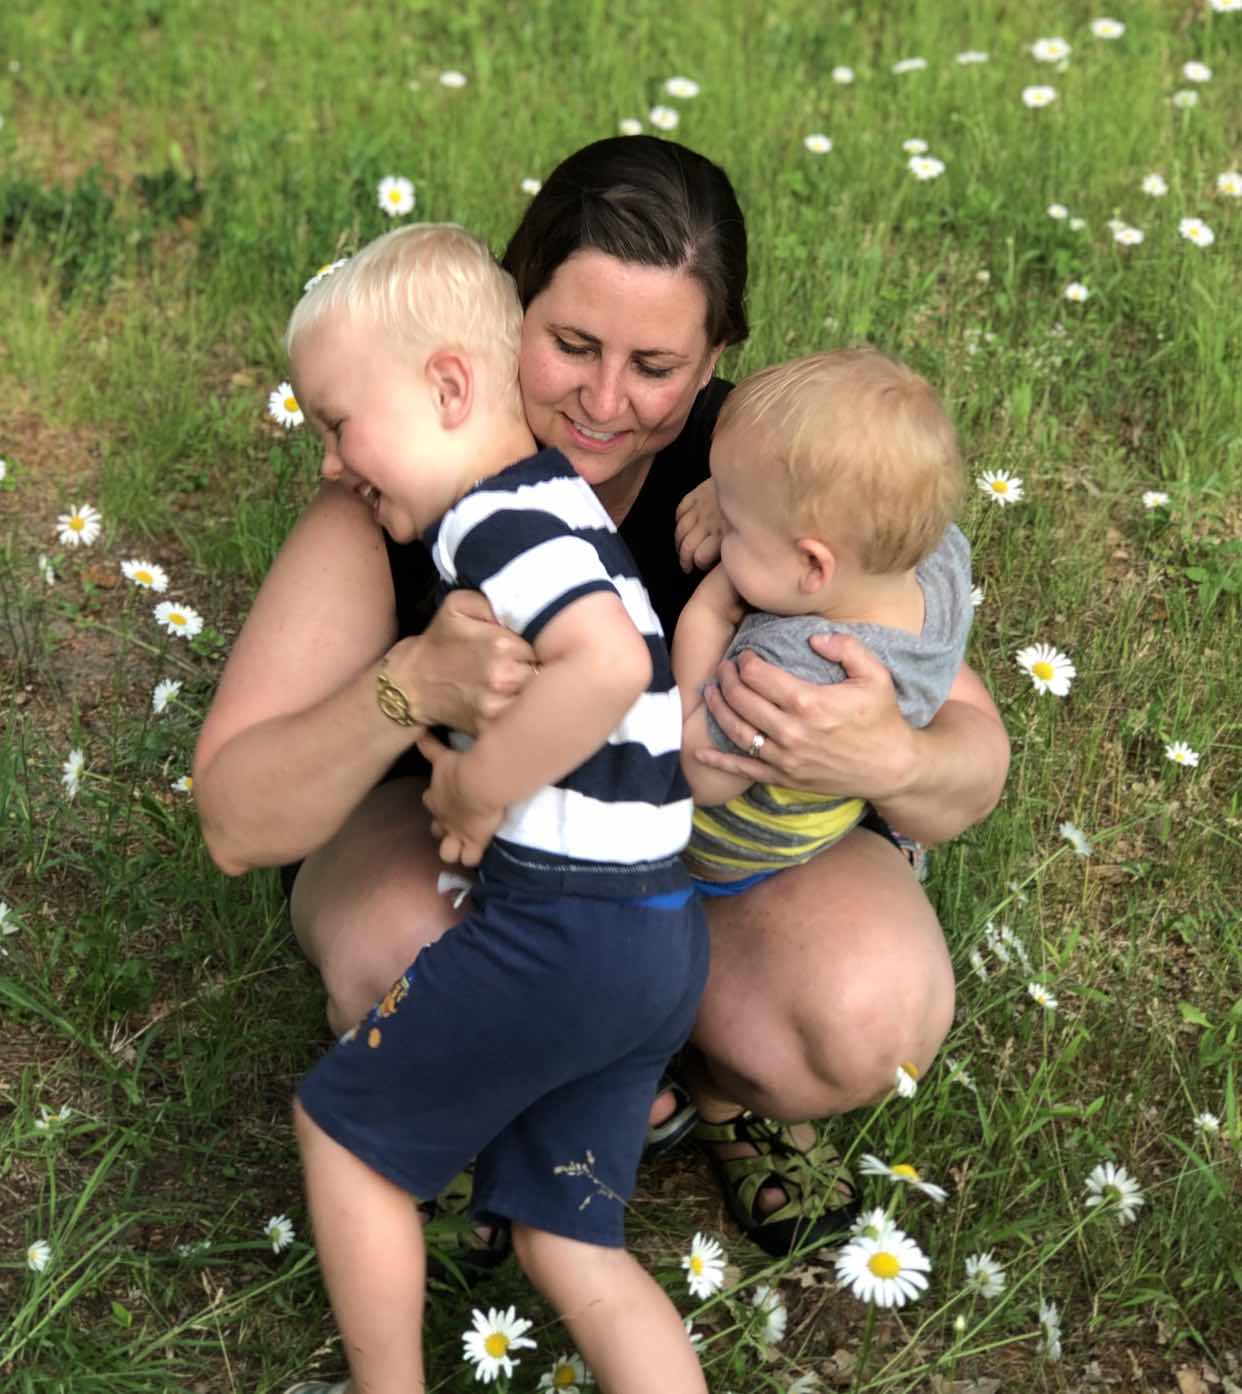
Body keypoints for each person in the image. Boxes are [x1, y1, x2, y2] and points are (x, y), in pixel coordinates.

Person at [194, 136, 1009, 1272]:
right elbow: (235, 820)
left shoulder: (767, 472)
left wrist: (894, 759)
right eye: (571, 345)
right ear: (505, 313)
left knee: (868, 1012)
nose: (604, 400)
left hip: (686, 872)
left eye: (656, 365)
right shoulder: (402, 486)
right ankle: (530, 1102)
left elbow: (972, 761)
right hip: (460, 852)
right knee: (402, 950)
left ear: (717, 359)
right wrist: (408, 686)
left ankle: (698, 1082)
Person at [274, 223, 709, 1394]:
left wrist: (478, 780)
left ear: (449, 387)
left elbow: (608, 662)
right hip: (657, 933)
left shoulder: (495, 516)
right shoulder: (561, 499)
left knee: (342, 1138)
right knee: (571, 1240)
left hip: (567, 928)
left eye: (338, 422)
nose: (334, 462)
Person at [676, 348, 973, 890]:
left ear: (813, 566)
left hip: (718, 853)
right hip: (823, 823)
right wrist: (741, 499)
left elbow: (692, 768)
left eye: (733, 523)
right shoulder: (940, 566)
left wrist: (708, 611)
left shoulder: (794, 668)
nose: (719, 522)